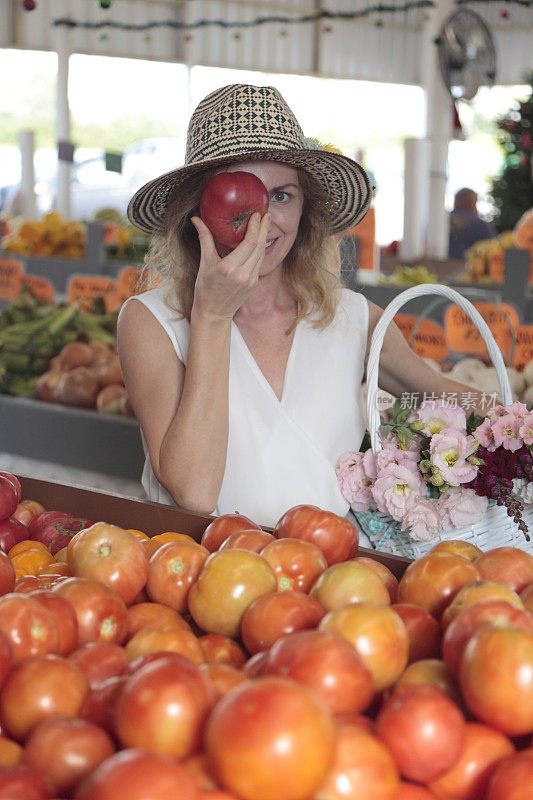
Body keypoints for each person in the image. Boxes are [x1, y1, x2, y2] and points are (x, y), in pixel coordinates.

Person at [118, 83, 482, 531]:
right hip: (198, 579)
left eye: (282, 196)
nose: (262, 222)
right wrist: (211, 316)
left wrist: (515, 419)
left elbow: (445, 394)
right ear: (194, 211)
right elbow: (194, 493)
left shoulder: (352, 319)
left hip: (328, 583)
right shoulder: (151, 321)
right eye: (239, 199)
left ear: (306, 206)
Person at [448, 187, 497, 260]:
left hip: (436, 265)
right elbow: (495, 246)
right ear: (468, 202)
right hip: (466, 268)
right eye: (476, 202)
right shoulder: (478, 223)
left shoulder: (442, 220)